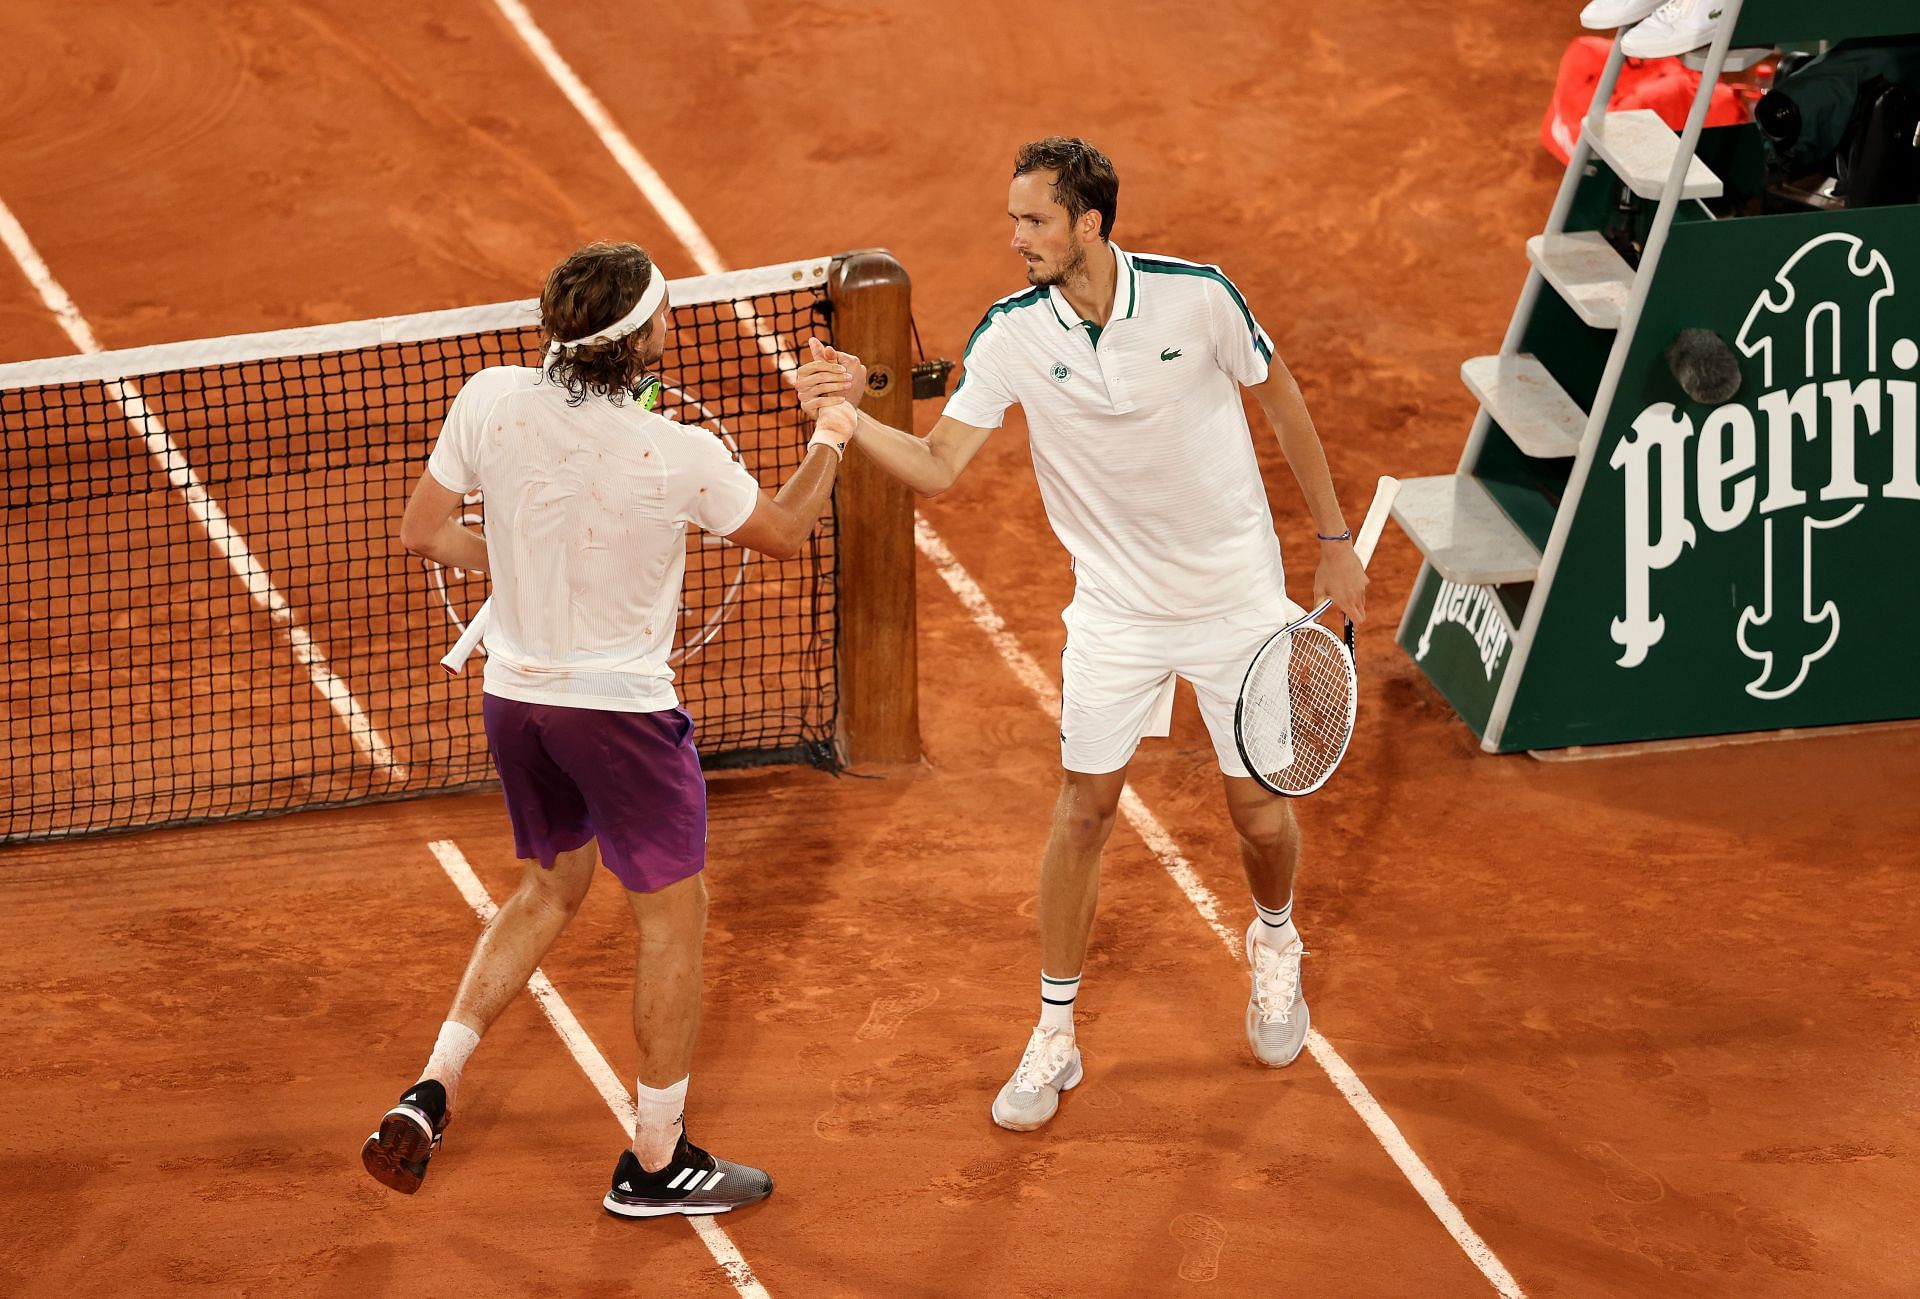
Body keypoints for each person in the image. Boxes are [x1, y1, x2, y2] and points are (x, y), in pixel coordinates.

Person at [796, 138, 1368, 1131]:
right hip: (1115, 611)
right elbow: (937, 465)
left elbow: (1280, 399)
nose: (1015, 238)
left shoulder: (1199, 299)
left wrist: (1333, 539)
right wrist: (849, 420)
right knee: (1082, 812)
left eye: (1034, 221)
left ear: (1089, 224)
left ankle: (1275, 941)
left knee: (1259, 817)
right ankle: (1055, 1032)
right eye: (1014, 219)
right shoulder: (1013, 334)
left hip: (1237, 601)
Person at [366, 240, 856, 1214]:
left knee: (551, 888)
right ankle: (658, 1161)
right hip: (619, 720)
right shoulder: (677, 452)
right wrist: (833, 431)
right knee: (673, 924)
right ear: (641, 341)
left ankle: (433, 1086)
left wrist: (521, 570)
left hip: (516, 701)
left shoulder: (489, 398)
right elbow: (787, 531)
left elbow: (423, 531)